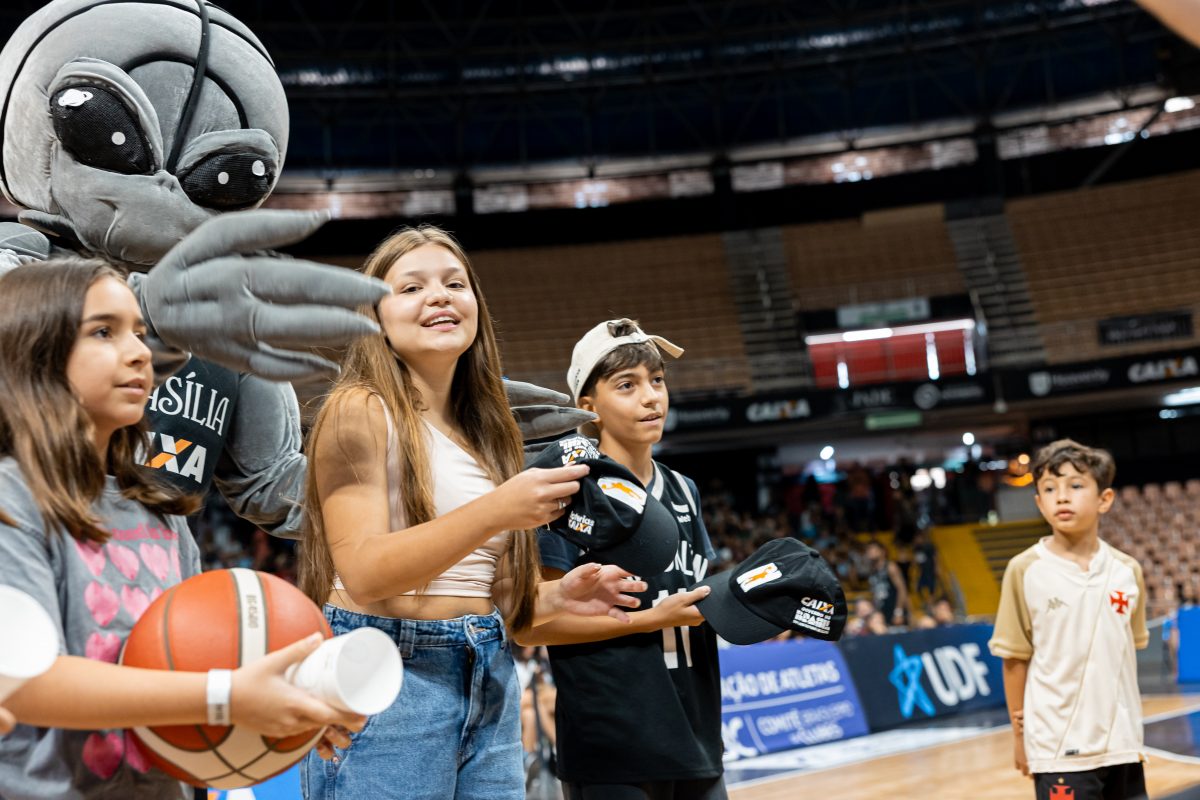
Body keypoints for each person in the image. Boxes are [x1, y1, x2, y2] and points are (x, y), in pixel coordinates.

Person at [297, 227, 645, 800]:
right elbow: (363, 572)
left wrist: (558, 595)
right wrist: (497, 510)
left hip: (487, 665)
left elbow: (495, 593)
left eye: (454, 284)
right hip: (383, 670)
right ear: (374, 317)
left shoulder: (490, 431)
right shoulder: (357, 409)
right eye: (412, 287)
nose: (439, 295)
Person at [0, 258, 364, 800]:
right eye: (104, 331)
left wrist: (283, 713)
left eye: (139, 332)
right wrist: (227, 697)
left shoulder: (163, 513)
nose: (141, 352)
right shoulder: (12, 500)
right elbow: (25, 680)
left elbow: (186, 668)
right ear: (34, 352)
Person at [519, 318, 726, 800]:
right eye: (627, 385)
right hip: (613, 744)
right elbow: (533, 625)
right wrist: (651, 619)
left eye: (657, 380)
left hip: (697, 733)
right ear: (588, 405)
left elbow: (698, 595)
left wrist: (754, 600)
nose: (651, 397)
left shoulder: (684, 488)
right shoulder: (566, 489)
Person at [989, 439, 1148, 800]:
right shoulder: (1024, 569)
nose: (1061, 497)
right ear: (1039, 503)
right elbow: (1014, 659)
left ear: (1104, 499)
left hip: (1123, 744)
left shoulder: (1127, 571)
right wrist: (1020, 738)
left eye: (1075, 486)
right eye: (1049, 489)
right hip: (1058, 748)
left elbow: (1128, 654)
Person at [865, 540, 910, 627]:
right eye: (868, 549)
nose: (869, 551)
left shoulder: (890, 567)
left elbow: (902, 589)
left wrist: (898, 612)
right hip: (882, 611)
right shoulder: (872, 570)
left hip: (894, 610)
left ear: (882, 551)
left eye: (872, 549)